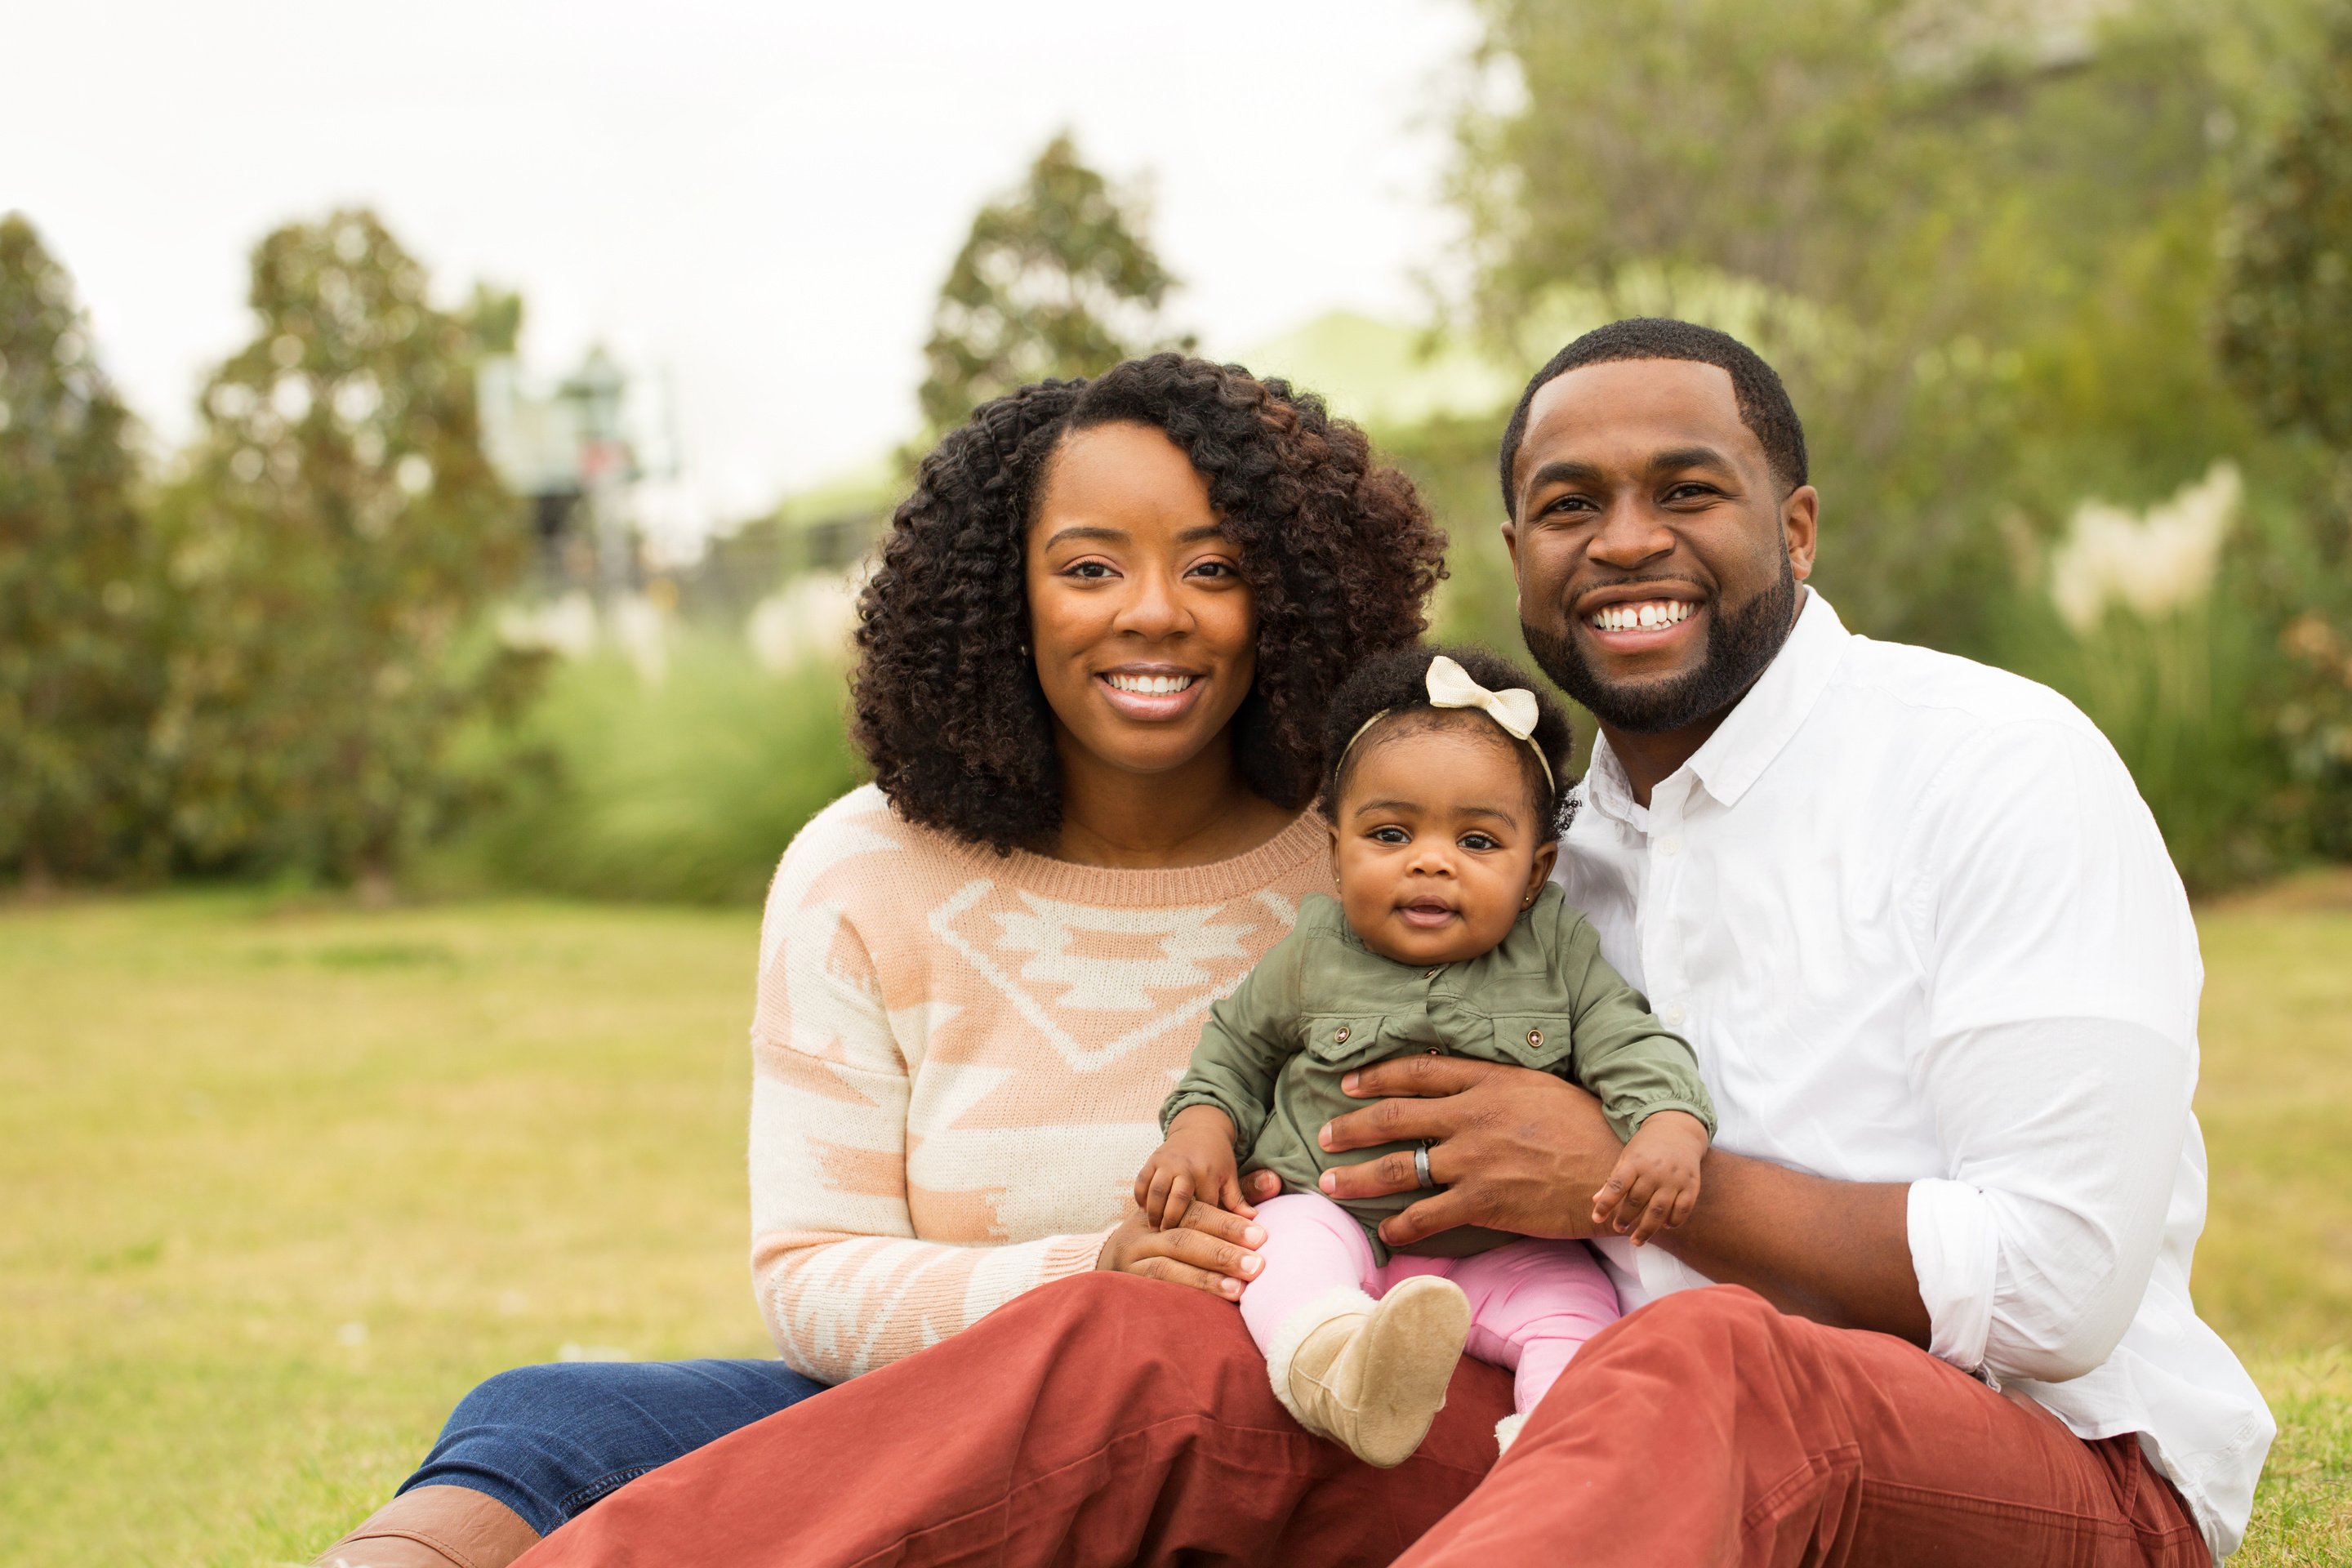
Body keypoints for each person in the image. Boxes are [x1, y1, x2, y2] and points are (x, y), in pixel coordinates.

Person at [513, 319, 2273, 1568]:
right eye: (1571, 504)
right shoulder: (1528, 849)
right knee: (1165, 1349)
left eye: (1690, 489)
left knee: (1703, 1357)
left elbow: (2056, 1287)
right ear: (1518, 557)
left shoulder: (1991, 766)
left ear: (1795, 527)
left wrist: (1625, 1187)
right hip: (1582, 1450)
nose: (1629, 539)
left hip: (2037, 1482)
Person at [309, 354, 1459, 1568]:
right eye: (1088, 567)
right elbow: (808, 1275)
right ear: (1002, 594)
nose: (1154, 610)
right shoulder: (859, 870)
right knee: (553, 1419)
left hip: (1259, 1431)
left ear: (1290, 596)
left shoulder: (1379, 860)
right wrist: (1095, 1276)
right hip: (941, 1417)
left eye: (1215, 566)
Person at [1138, 644, 1710, 1467]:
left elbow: (1628, 1038)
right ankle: (1341, 1371)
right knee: (1273, 1252)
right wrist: (1199, 1129)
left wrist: (1668, 1126)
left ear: (1535, 870)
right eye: (1392, 833)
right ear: (1336, 853)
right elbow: (1233, 1051)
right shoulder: (1310, 954)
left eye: (1477, 841)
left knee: (1577, 1315)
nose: (1431, 859)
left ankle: (1555, 1460)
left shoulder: (1557, 951)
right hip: (1332, 1211)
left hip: (1502, 1243)